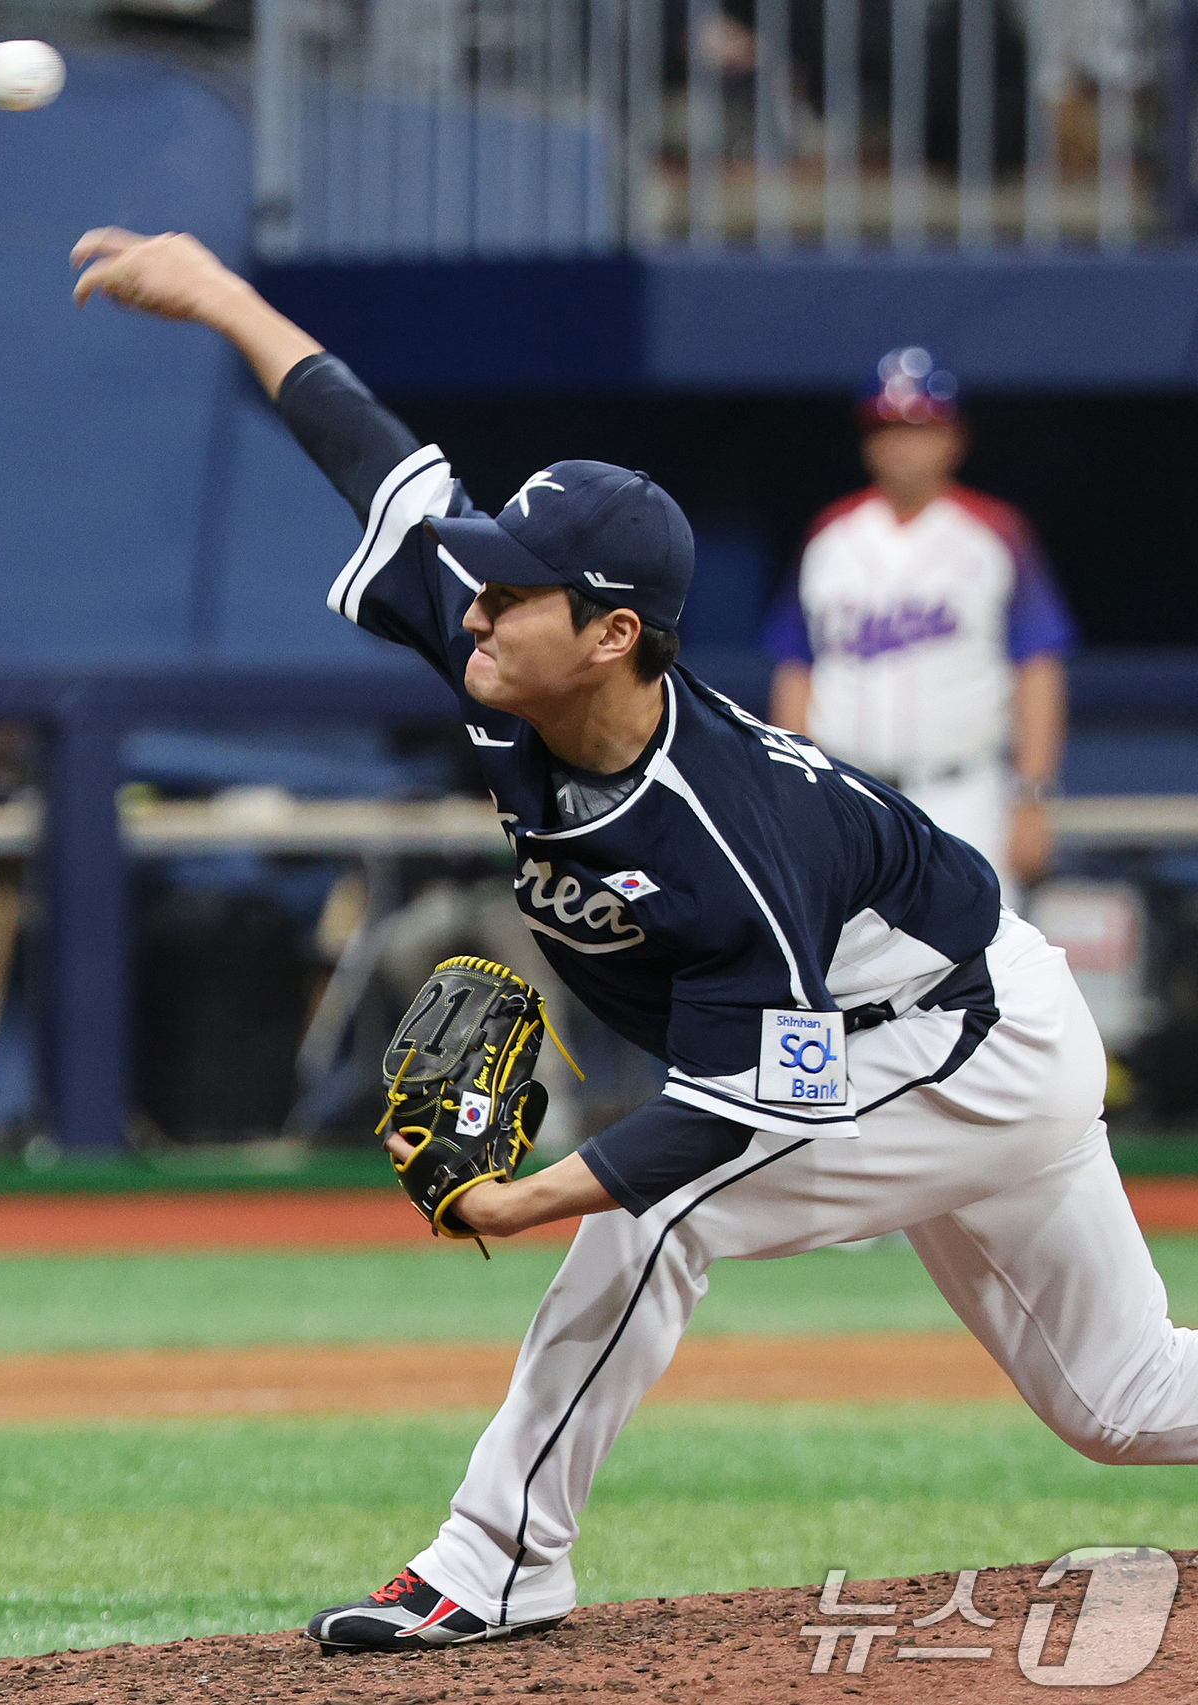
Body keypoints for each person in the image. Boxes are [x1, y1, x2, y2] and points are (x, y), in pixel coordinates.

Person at [71, 228, 1198, 1654]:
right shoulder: (500, 654)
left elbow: (743, 1112)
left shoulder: (721, 840)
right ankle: (501, 1553)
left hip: (961, 1044)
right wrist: (223, 296)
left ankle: (493, 1561)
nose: (472, 603)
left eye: (513, 588)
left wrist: (519, 1201)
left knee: (655, 1211)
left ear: (611, 634)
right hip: (921, 1022)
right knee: (1126, 1403)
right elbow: (377, 458)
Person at [764, 348, 1077, 907]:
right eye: (887, 428)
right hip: (847, 793)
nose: (902, 443)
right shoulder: (831, 535)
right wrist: (794, 796)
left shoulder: (996, 532)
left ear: (954, 438)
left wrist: (1032, 799)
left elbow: (1038, 668)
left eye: (919, 426)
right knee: (842, 977)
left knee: (982, 972)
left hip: (964, 794)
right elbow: (797, 670)